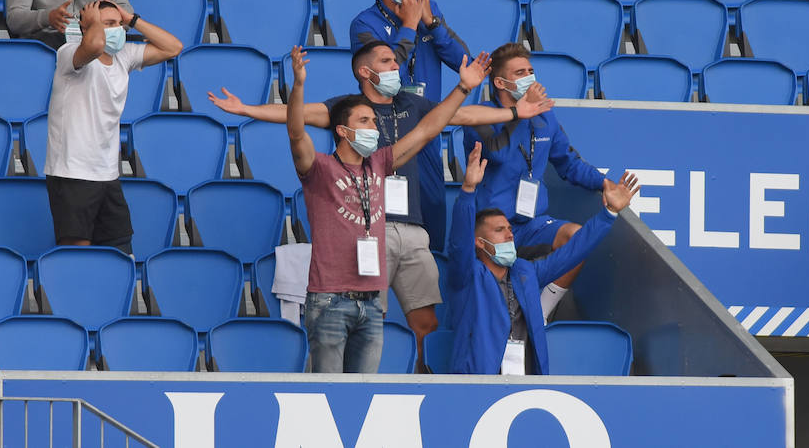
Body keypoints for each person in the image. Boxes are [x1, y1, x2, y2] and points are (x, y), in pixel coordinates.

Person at [208, 40, 552, 370]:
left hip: (412, 230)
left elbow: (445, 122)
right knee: (349, 348)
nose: (395, 67)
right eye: (386, 61)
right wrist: (248, 108)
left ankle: (420, 379)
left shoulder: (404, 118)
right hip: (361, 244)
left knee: (420, 321)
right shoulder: (341, 121)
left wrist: (508, 110)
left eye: (396, 61)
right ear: (364, 72)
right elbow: (297, 123)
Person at [287, 44, 489, 374]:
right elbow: (296, 134)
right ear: (343, 130)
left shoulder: (379, 162)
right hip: (329, 300)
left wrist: (464, 87)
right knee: (325, 393)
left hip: (369, 303)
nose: (374, 127)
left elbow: (425, 131)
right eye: (365, 120)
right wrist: (298, 85)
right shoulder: (319, 168)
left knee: (364, 394)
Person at [447, 141, 639, 375]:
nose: (509, 234)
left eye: (509, 229)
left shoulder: (525, 272)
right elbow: (458, 243)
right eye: (499, 230)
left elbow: (574, 250)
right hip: (477, 386)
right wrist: (467, 191)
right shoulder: (467, 276)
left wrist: (609, 214)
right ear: (478, 242)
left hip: (526, 384)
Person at [462, 42, 614, 317]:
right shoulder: (480, 116)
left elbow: (568, 162)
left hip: (531, 222)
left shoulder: (546, 117)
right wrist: (521, 114)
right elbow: (499, 154)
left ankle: (542, 311)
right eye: (520, 73)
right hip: (490, 226)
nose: (529, 78)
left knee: (576, 236)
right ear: (500, 82)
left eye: (531, 71)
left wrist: (603, 182)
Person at [45, 0, 181, 253]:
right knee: (78, 252)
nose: (116, 30)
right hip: (73, 172)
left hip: (107, 173)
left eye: (119, 25)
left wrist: (132, 20)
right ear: (86, 26)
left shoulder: (124, 56)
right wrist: (93, 22)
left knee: (120, 249)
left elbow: (173, 47)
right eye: (109, 24)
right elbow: (95, 45)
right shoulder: (69, 53)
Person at [350, 0, 469, 102]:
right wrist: (410, 25)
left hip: (429, 120)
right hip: (386, 120)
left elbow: (465, 64)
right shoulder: (364, 24)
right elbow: (385, 78)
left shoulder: (429, 10)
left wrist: (433, 24)